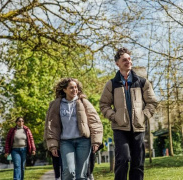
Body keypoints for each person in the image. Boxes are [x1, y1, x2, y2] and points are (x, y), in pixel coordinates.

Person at [99, 47, 158, 180]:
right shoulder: (112, 84)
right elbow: (104, 104)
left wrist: (143, 116)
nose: (128, 62)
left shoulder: (142, 82)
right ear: (117, 63)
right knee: (123, 160)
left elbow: (152, 103)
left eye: (129, 59)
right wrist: (114, 117)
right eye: (124, 60)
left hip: (138, 127)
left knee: (138, 163)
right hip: (120, 128)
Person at [44, 78, 103, 180]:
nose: (74, 90)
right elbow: (51, 126)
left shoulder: (84, 102)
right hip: (65, 142)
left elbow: (95, 121)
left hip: (83, 141)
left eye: (76, 87)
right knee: (69, 172)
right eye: (71, 88)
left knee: (81, 175)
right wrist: (53, 145)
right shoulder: (56, 104)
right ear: (64, 90)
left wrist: (96, 142)